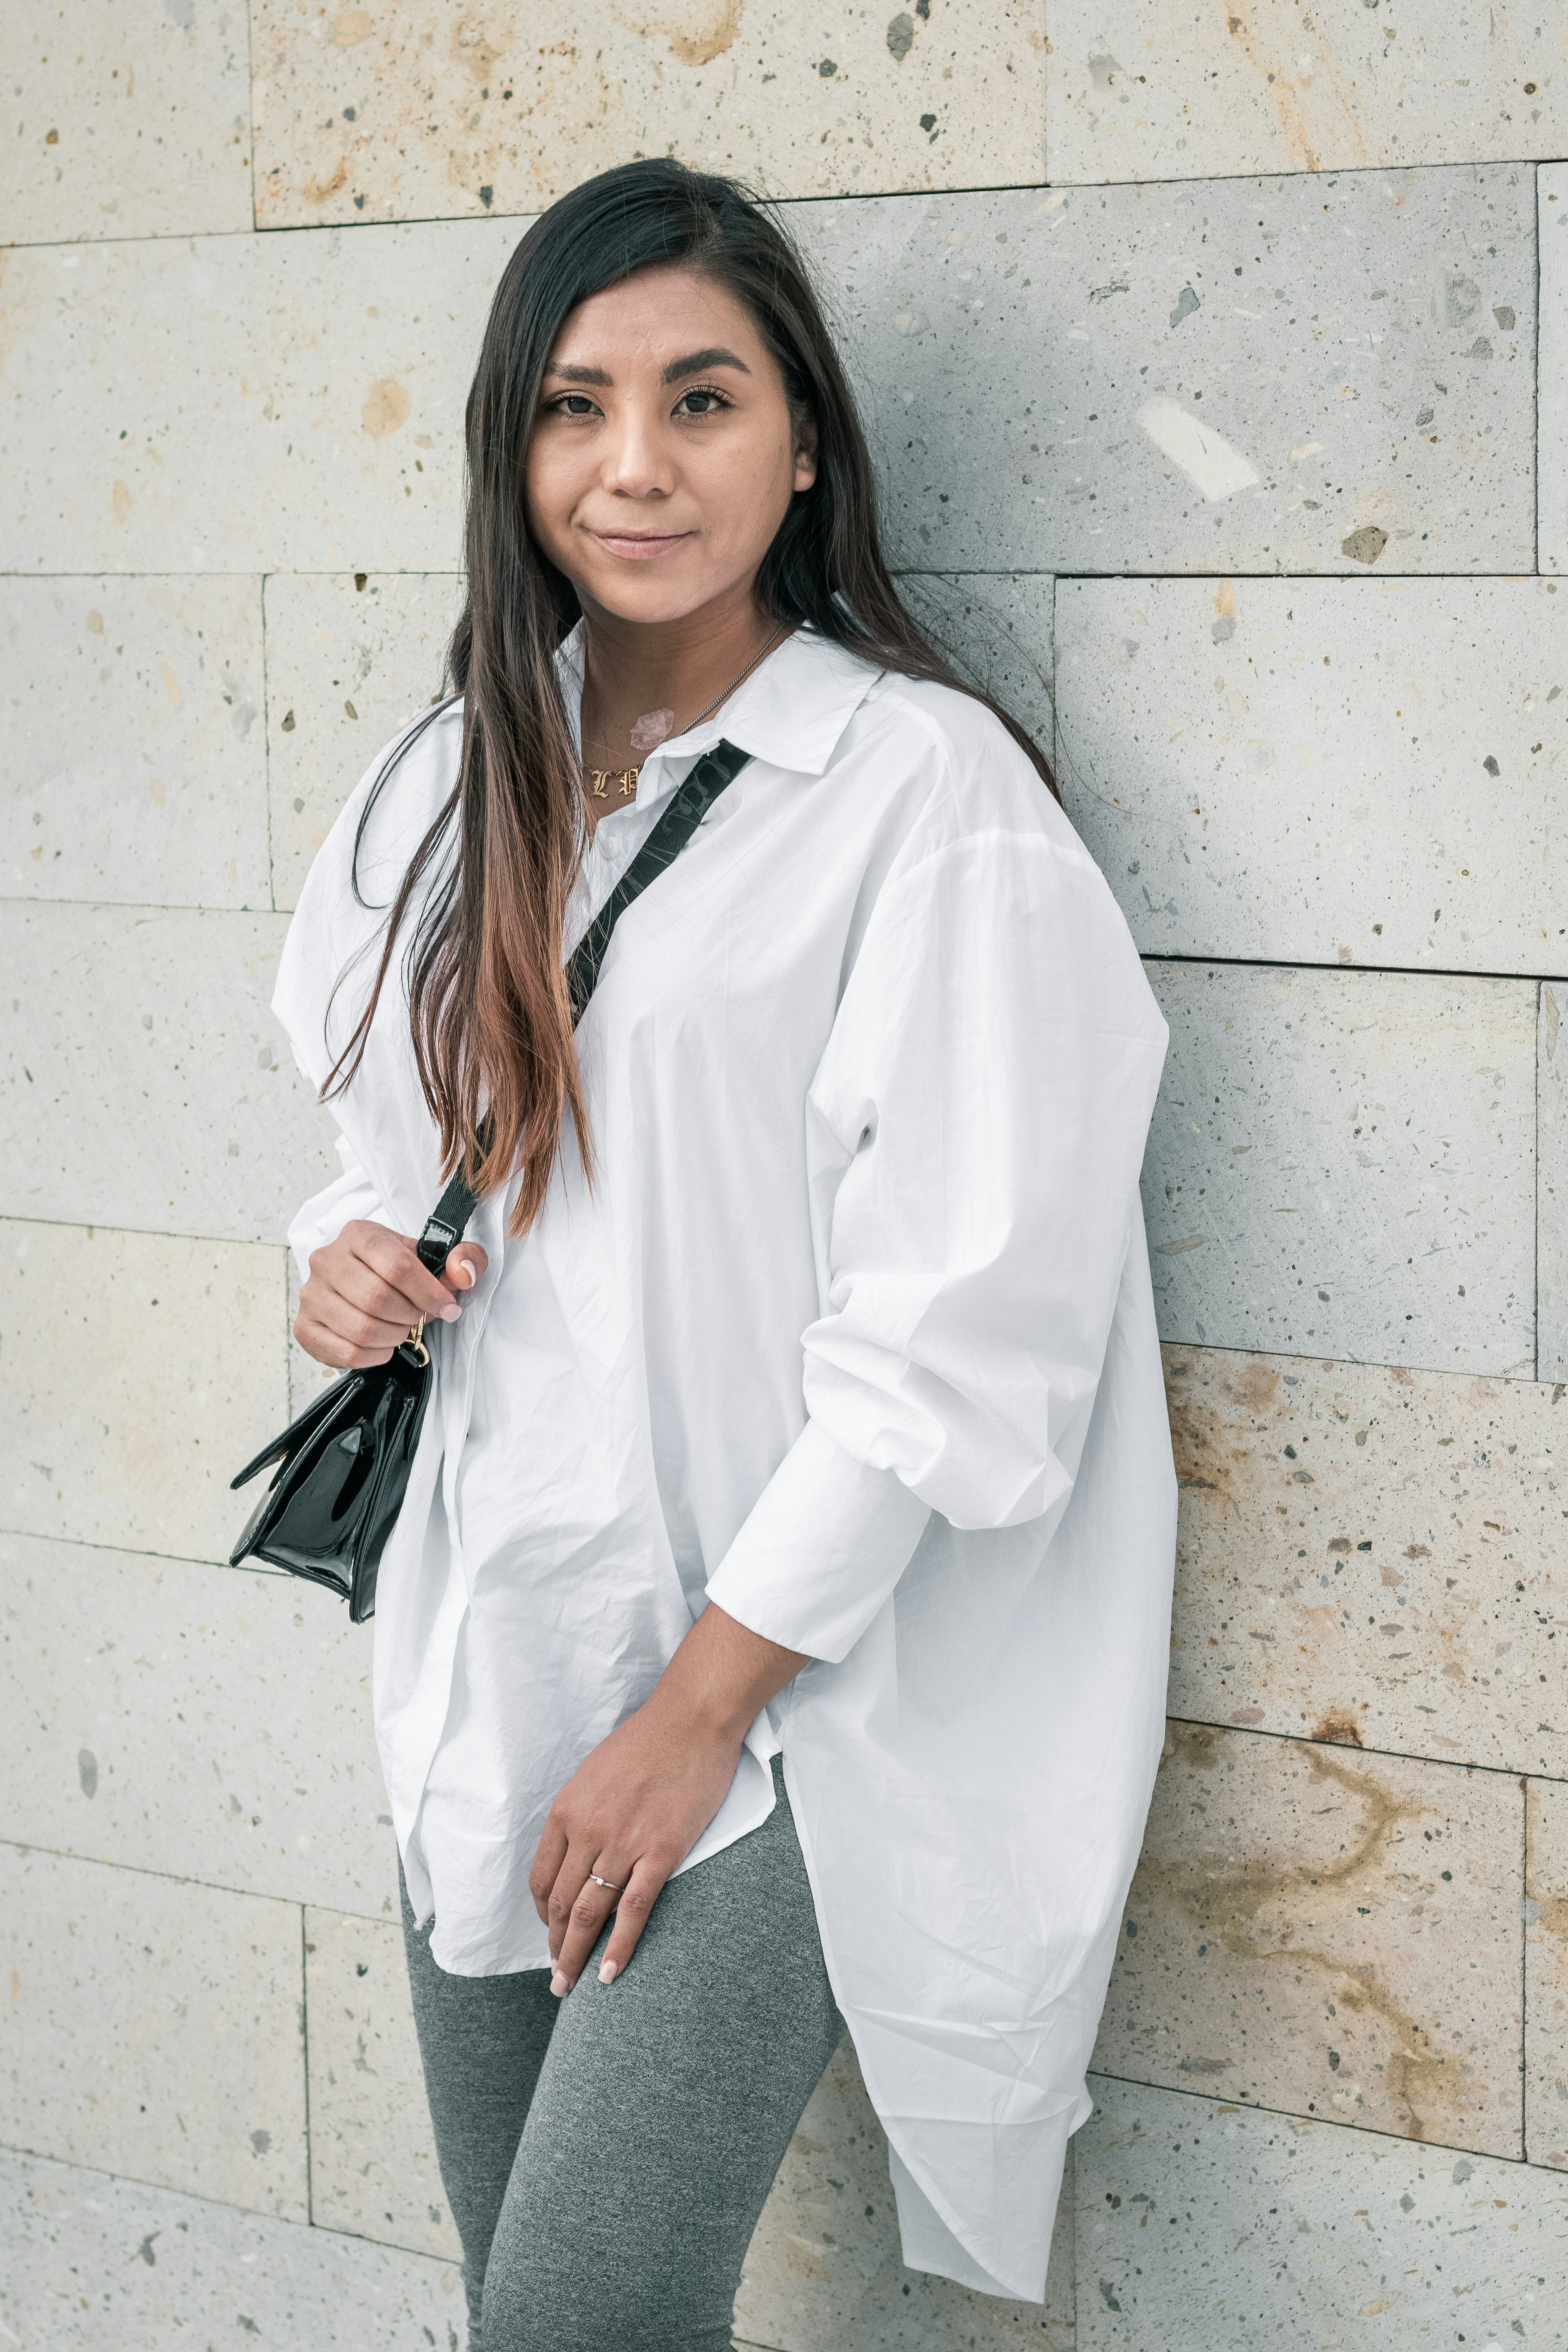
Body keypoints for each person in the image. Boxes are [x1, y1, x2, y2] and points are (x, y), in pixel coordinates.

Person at [274, 159, 1175, 2352]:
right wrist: (347, 1261)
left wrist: (696, 1713)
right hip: (502, 1639)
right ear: (514, 448)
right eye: (576, 407)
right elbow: (369, 1148)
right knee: (539, 2320)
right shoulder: (441, 785)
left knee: (575, 2313)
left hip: (787, 1697)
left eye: (700, 398)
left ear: (799, 443)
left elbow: (962, 1328)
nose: (635, 464)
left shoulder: (917, 796)